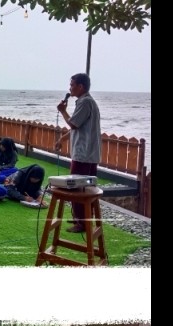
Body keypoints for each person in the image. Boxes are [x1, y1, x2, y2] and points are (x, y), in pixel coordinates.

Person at [55, 72, 101, 233]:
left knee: (76, 187)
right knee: (86, 187)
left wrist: (62, 111)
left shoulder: (85, 102)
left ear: (80, 87)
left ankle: (82, 223)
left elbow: (73, 124)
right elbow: (79, 127)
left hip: (83, 154)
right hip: (89, 153)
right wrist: (62, 139)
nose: (70, 88)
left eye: (72, 85)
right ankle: (83, 217)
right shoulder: (88, 102)